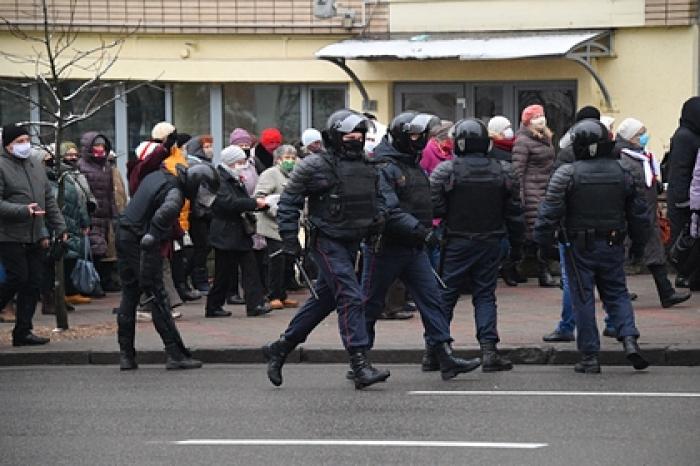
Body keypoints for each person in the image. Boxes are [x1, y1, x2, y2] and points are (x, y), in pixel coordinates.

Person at [262, 109, 390, 390]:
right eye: (349, 136)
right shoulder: (313, 165)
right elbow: (289, 202)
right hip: (325, 240)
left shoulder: (367, 165)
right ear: (335, 136)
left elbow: (378, 198)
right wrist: (289, 240)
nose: (355, 141)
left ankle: (281, 347)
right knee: (350, 295)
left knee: (325, 300)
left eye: (359, 136)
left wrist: (378, 220)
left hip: (353, 240)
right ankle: (359, 365)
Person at [362, 112, 481, 380]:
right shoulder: (383, 165)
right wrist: (422, 231)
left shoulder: (411, 162)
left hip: (413, 246)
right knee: (370, 304)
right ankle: (359, 359)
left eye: (421, 135)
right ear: (402, 135)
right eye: (414, 135)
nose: (419, 140)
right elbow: (389, 210)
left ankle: (444, 354)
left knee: (432, 299)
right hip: (386, 246)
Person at [534, 119, 650, 373]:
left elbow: (548, 213)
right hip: (613, 241)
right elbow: (640, 215)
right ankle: (629, 339)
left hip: (578, 246)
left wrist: (543, 247)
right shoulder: (624, 172)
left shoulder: (567, 174)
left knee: (583, 298)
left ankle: (589, 356)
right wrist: (639, 246)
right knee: (617, 292)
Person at [430, 118, 525, 372]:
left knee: (446, 296)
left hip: (457, 241)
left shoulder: (446, 171)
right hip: (490, 240)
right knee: (484, 295)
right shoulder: (504, 171)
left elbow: (435, 207)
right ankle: (489, 351)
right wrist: (517, 245)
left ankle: (434, 351)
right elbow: (514, 211)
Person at [116, 163, 220, 370]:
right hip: (140, 241)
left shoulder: (158, 176)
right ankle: (174, 354)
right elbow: (164, 213)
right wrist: (152, 238)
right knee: (158, 296)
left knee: (129, 295)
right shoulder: (175, 194)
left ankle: (126, 356)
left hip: (125, 234)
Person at [0, 124, 67, 346]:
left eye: (26, 140)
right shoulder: (1, 166)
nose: (24, 145)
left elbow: (48, 199)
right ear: (8, 145)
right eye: (19, 141)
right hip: (9, 234)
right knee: (17, 277)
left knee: (33, 283)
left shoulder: (35, 165)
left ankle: (23, 332)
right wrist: (22, 210)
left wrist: (60, 227)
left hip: (36, 234)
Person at [615, 118, 690, 307]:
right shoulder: (624, 158)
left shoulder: (643, 156)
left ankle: (666, 293)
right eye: (640, 134)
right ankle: (616, 295)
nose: (644, 137)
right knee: (619, 256)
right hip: (630, 216)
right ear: (630, 138)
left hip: (645, 214)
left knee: (654, 254)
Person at [204, 145, 271, 318]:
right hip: (226, 232)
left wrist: (255, 204)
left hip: (235, 232)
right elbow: (228, 203)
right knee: (224, 273)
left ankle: (254, 304)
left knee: (248, 268)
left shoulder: (230, 178)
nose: (242, 165)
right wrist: (254, 203)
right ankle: (215, 305)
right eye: (240, 162)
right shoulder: (220, 180)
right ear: (231, 163)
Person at [512, 104, 558, 287]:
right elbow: (518, 171)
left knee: (539, 234)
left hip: (545, 189)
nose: (541, 119)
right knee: (537, 234)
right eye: (536, 117)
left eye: (542, 115)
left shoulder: (545, 138)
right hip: (532, 193)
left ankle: (521, 267)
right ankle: (541, 272)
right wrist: (520, 196)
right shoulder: (522, 141)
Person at [254, 144, 300, 310]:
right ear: (278, 159)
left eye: (293, 158)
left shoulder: (295, 175)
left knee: (287, 259)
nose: (290, 161)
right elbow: (260, 197)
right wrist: (274, 210)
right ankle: (273, 295)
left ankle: (282, 294)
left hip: (288, 223)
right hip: (271, 224)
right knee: (276, 259)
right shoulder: (270, 174)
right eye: (287, 158)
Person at [78, 131, 119, 295]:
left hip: (105, 215)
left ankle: (101, 282)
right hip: (91, 214)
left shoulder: (106, 167)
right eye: (96, 146)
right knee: (95, 249)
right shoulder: (81, 166)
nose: (100, 149)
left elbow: (110, 193)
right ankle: (93, 284)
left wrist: (114, 213)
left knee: (103, 250)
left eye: (102, 146)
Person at [667, 97, 700, 289]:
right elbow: (679, 170)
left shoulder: (691, 134)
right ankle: (684, 274)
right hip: (685, 200)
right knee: (685, 239)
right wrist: (684, 201)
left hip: (691, 196)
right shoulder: (684, 137)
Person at [184, 135, 214, 294]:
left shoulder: (205, 164)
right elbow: (199, 191)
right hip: (198, 213)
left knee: (203, 247)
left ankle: (195, 277)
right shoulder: (194, 165)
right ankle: (197, 278)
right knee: (200, 247)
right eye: (206, 146)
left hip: (205, 212)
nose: (210, 149)